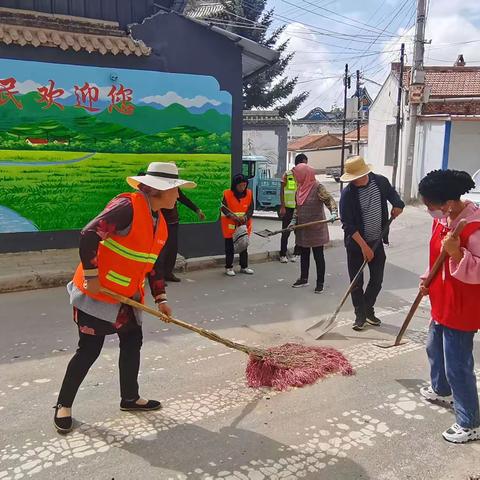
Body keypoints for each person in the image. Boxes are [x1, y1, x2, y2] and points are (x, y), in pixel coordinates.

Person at [54, 162, 196, 434]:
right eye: (175, 190)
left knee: (132, 342)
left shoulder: (160, 223)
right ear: (158, 190)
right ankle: (63, 405)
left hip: (127, 296)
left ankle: (129, 398)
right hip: (98, 293)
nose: (178, 196)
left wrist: (161, 297)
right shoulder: (127, 207)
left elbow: (152, 265)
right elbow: (89, 234)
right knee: (89, 350)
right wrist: (93, 277)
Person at [418, 169, 480, 444]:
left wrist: (457, 253)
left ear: (449, 203)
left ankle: (470, 422)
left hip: (462, 306)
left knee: (458, 364)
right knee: (434, 347)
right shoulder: (443, 221)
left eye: (430, 205)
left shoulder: (474, 228)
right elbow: (435, 259)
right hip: (441, 299)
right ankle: (441, 389)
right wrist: (427, 281)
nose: (429, 209)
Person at [339, 156, 404, 331]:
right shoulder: (348, 194)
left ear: (364, 173)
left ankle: (368, 308)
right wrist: (364, 247)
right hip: (356, 245)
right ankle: (360, 315)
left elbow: (394, 197)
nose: (353, 181)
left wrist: (398, 206)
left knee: (377, 279)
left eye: (355, 177)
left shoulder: (380, 182)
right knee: (356, 282)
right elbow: (348, 225)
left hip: (377, 239)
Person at [290, 163, 338, 293]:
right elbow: (297, 208)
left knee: (318, 255)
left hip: (316, 228)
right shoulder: (299, 188)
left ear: (304, 175)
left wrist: (333, 212)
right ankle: (304, 279)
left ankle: (320, 283)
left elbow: (329, 200)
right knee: (304, 254)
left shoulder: (317, 187)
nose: (296, 178)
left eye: (297, 175)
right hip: (303, 228)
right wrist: (293, 221)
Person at [160, 192, 205, 283]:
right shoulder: (158, 186)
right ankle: (159, 277)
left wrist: (197, 210)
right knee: (161, 250)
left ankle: (168, 273)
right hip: (161, 222)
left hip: (173, 221)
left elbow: (183, 198)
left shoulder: (174, 186)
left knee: (172, 249)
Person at [221, 173, 254, 276]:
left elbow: (251, 208)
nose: (242, 187)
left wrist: (245, 217)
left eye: (244, 185)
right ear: (235, 185)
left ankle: (244, 266)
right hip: (230, 226)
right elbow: (223, 208)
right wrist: (232, 216)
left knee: (243, 246)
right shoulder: (227, 194)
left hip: (243, 225)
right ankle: (229, 267)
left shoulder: (249, 193)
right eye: (240, 185)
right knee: (229, 247)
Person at [279, 154, 308, 263]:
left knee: (299, 232)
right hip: (288, 208)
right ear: (299, 163)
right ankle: (282, 254)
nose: (306, 165)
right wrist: (282, 206)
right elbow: (281, 190)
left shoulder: (305, 176)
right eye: (304, 162)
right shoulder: (288, 174)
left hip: (299, 208)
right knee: (285, 232)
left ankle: (297, 253)